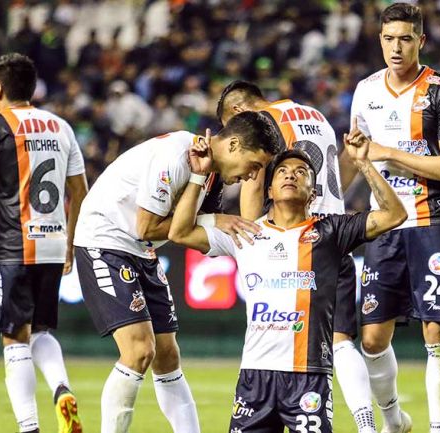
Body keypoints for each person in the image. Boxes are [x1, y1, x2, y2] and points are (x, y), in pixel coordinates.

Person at [167, 138, 406, 432]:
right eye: (282, 171)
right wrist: (197, 176)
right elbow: (179, 233)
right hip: (255, 379)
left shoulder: (331, 230)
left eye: (301, 171)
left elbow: (395, 214)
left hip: (309, 377)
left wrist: (363, 164)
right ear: (269, 189)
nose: (291, 174)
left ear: (312, 194)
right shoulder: (245, 233)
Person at [73, 111, 281, 433]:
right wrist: (213, 220)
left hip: (141, 250)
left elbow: (188, 231)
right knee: (140, 350)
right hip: (105, 238)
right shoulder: (179, 155)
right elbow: (147, 226)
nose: (253, 176)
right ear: (235, 145)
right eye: (254, 165)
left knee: (167, 355)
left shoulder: (208, 173)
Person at [217, 80, 377, 433]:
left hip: (293, 241)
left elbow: (254, 182)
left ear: (239, 113)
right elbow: (339, 174)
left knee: (276, 339)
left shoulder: (263, 124)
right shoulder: (315, 116)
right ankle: (368, 425)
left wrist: (252, 240)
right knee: (341, 340)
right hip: (332, 236)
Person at [348, 3, 440, 433]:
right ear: (379, 40)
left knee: (436, 332)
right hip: (385, 225)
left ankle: (439, 429)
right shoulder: (365, 91)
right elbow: (359, 156)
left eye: (404, 38)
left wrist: (390, 154)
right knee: (372, 339)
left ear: (421, 40)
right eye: (388, 39)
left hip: (433, 221)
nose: (395, 48)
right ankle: (395, 421)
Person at [0, 53, 88, 433]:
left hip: (13, 248)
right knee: (41, 332)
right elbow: (80, 191)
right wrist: (69, 242)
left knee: (13, 338)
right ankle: (62, 387)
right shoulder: (62, 127)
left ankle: (29, 427)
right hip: (52, 245)